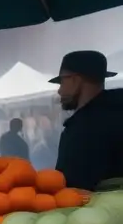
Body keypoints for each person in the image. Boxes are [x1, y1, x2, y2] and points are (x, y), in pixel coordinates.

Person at [51, 50, 123, 190]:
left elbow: (71, 186)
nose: (59, 91)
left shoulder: (82, 128)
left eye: (62, 82)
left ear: (76, 80)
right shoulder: (117, 112)